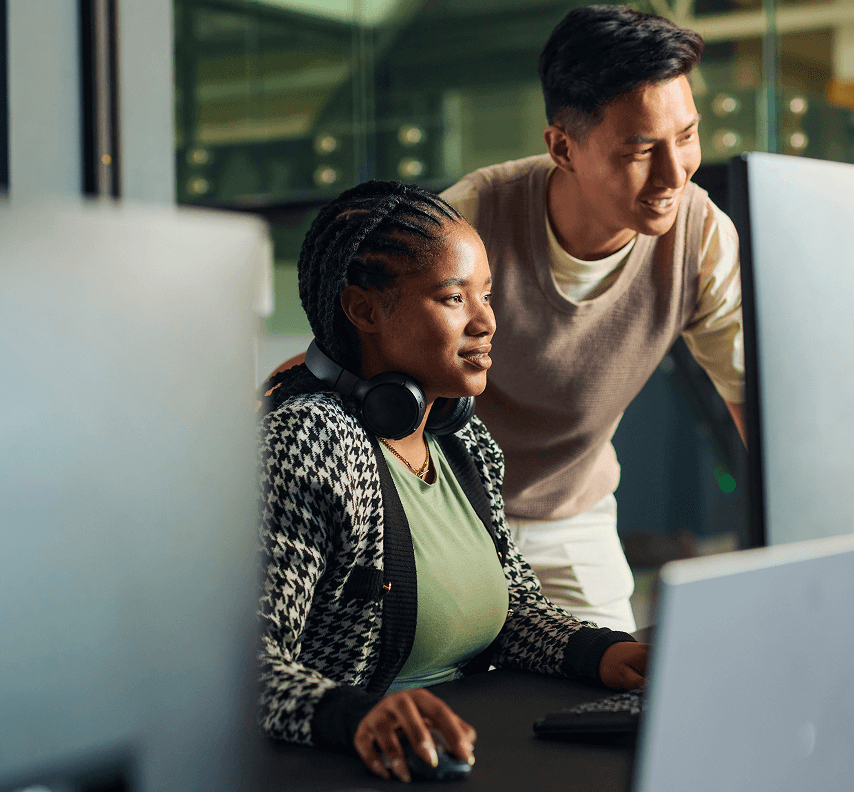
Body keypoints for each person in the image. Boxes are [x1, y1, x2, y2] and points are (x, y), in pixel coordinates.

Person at [257, 180, 648, 783]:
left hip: (468, 747)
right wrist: (355, 716)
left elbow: (514, 610)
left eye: (487, 295)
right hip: (354, 764)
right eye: (453, 298)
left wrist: (608, 654)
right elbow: (245, 667)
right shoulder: (308, 443)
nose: (487, 321)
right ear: (364, 311)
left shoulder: (462, 442)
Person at [432, 6, 739, 631]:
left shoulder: (700, 235)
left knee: (614, 704)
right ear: (562, 147)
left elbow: (756, 405)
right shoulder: (466, 222)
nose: (675, 172)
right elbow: (366, 379)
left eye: (686, 136)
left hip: (571, 516)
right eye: (640, 149)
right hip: (444, 512)